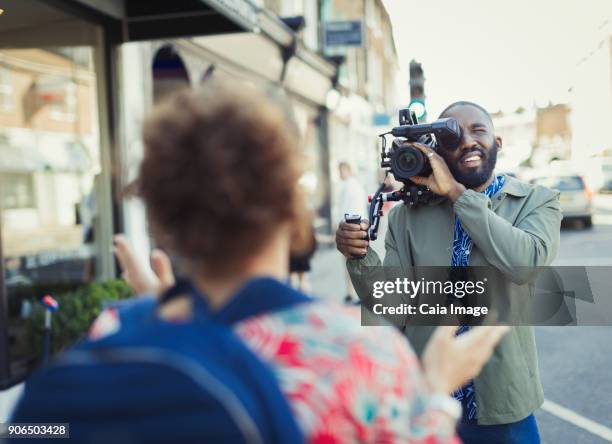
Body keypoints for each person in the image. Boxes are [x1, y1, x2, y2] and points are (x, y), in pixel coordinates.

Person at [91, 85, 509, 442]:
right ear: (294, 211)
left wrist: (161, 311)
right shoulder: (360, 356)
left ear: (163, 220)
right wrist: (434, 395)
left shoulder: (106, 341)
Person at [336, 101, 562, 444]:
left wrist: (458, 195)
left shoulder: (536, 201)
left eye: (478, 130)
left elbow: (525, 264)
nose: (468, 141)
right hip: (428, 404)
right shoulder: (406, 217)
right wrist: (359, 255)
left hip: (505, 410)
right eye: (453, 136)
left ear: (497, 143)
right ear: (438, 153)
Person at [337, 162, 367, 303]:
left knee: (350, 262)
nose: (340, 174)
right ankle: (355, 293)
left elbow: (344, 209)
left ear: (348, 170)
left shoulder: (348, 185)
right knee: (357, 261)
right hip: (360, 227)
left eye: (341, 170)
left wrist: (338, 229)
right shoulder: (358, 184)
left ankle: (352, 293)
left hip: (349, 228)